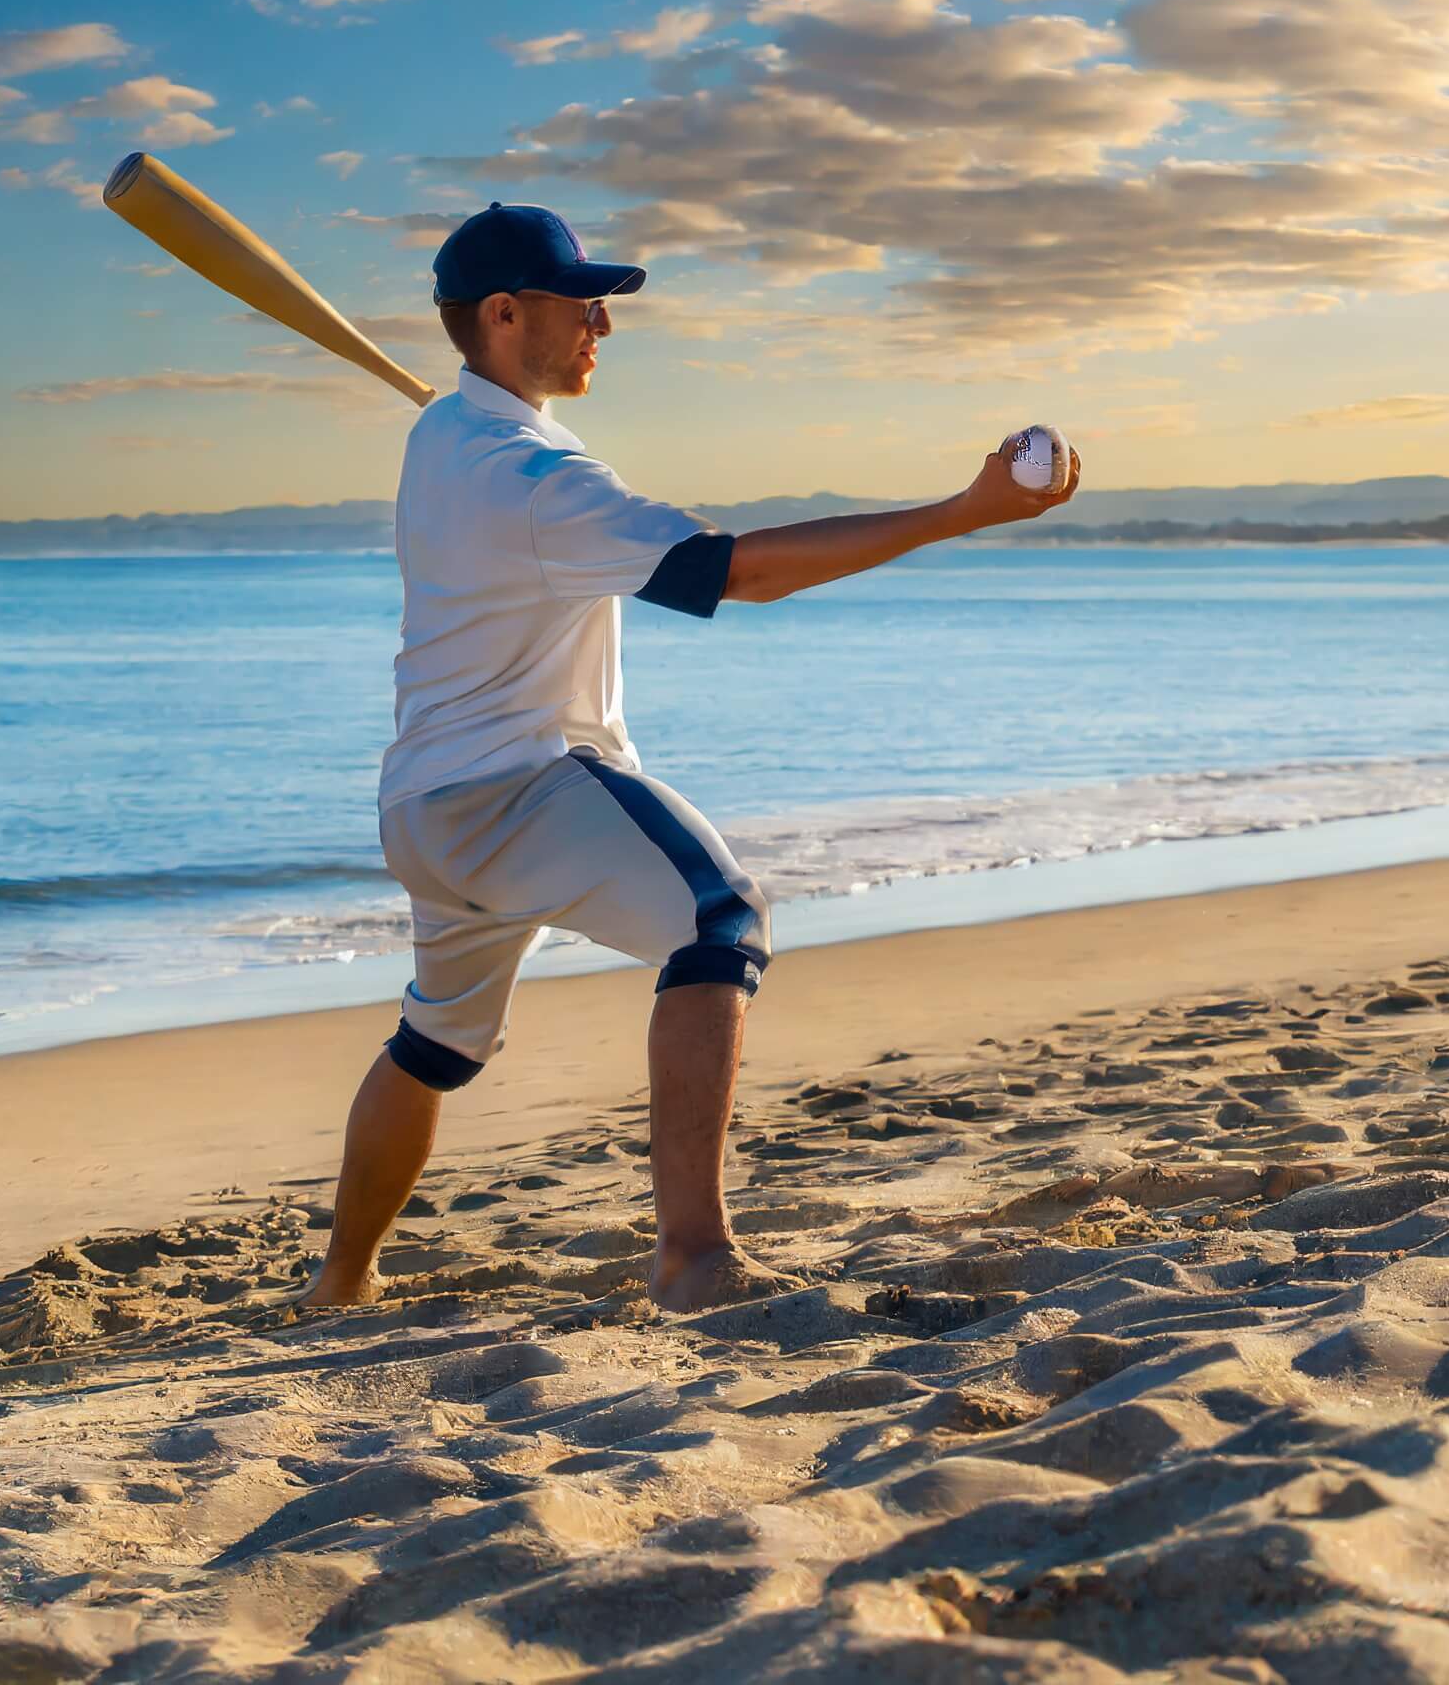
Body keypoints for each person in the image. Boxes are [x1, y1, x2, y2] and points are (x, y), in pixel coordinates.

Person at [298, 202, 1082, 1314]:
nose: (604, 325)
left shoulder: (446, 438)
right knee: (718, 921)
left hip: (425, 809)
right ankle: (693, 1254)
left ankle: (341, 1280)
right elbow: (740, 572)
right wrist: (964, 510)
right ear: (506, 312)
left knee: (433, 1040)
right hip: (520, 783)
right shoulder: (524, 475)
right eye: (586, 302)